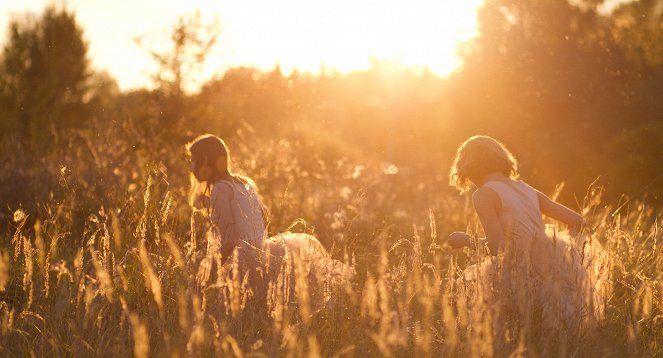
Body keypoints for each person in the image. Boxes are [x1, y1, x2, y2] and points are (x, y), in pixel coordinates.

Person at [447, 135, 609, 332]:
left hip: (520, 272)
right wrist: (560, 251)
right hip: (553, 268)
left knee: (507, 328)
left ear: (466, 166)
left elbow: (499, 248)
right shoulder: (526, 189)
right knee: (558, 334)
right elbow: (578, 222)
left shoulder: (483, 194)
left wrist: (467, 240)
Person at [186, 134, 351, 304]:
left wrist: (209, 273)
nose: (191, 168)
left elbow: (229, 240)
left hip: (244, 264)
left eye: (192, 160)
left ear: (205, 159)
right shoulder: (243, 184)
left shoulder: (220, 189)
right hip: (263, 255)